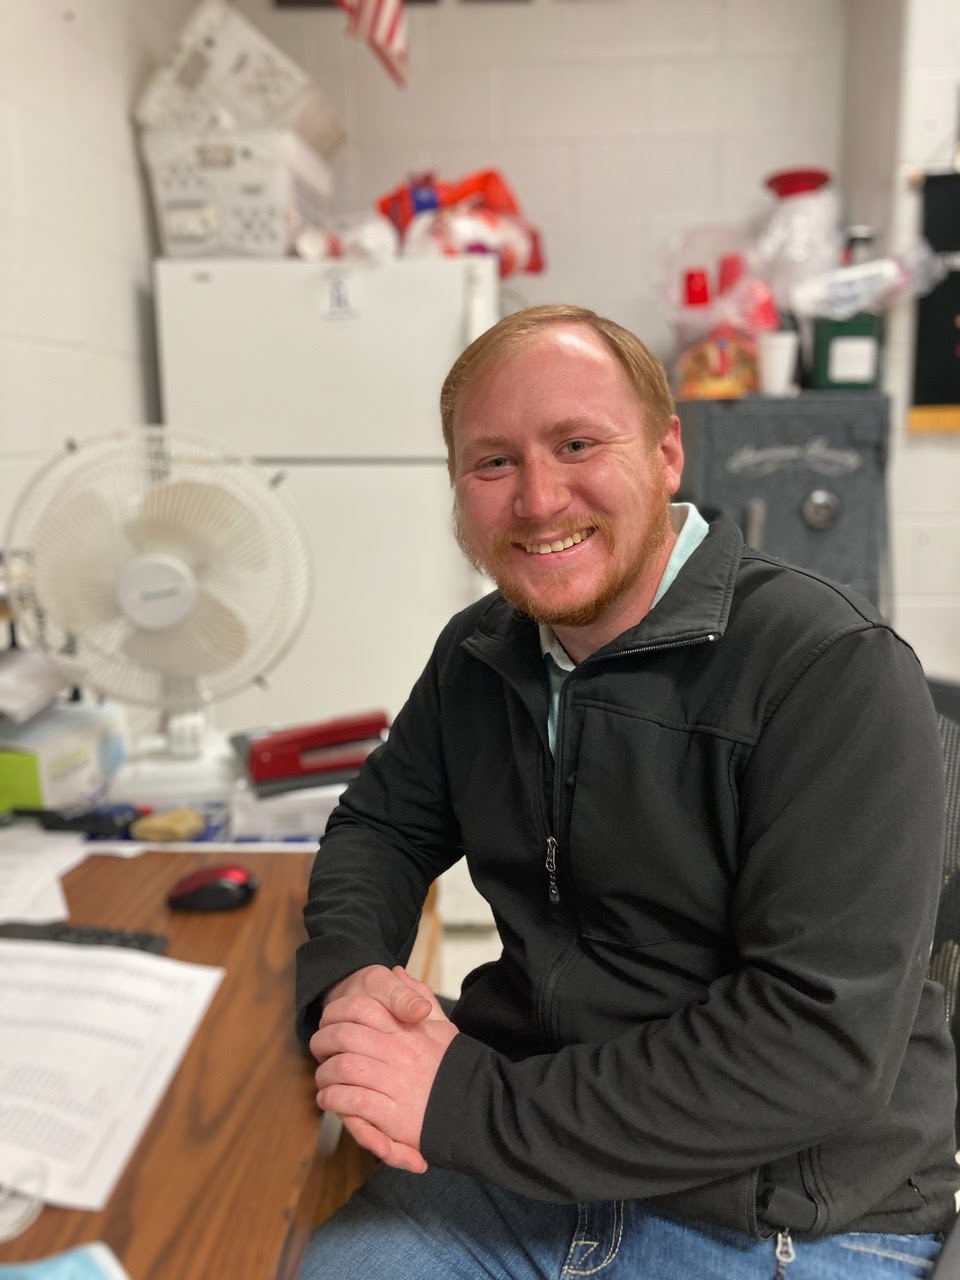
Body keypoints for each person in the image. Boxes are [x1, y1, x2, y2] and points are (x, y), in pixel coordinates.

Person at [295, 303, 959, 1279]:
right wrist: (350, 974)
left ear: (666, 450)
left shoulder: (830, 669)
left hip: (785, 1213)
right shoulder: (481, 650)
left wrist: (462, 1101)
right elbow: (381, 826)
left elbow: (810, 1047)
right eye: (492, 462)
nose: (536, 497)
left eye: (576, 443)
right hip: (527, 1160)